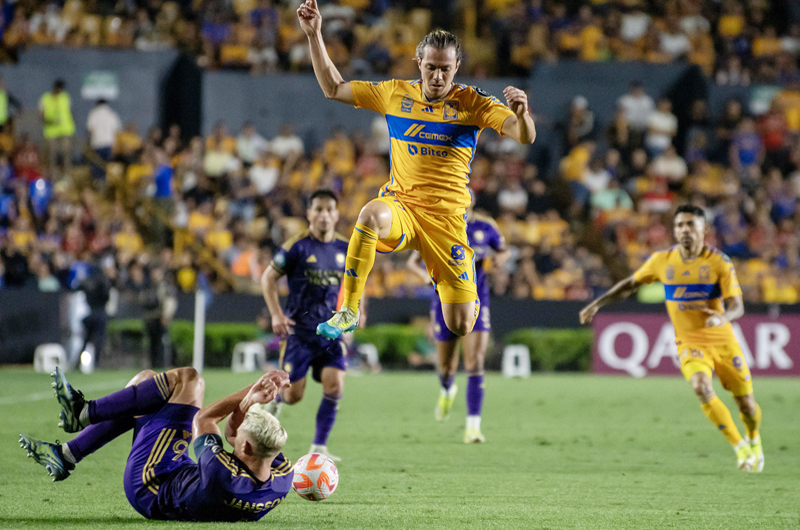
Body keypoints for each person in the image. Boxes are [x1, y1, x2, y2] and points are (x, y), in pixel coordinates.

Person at [296, 0, 535, 343]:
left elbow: (524, 136)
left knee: (461, 324)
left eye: (446, 69)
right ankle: (348, 309)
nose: (438, 76)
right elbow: (334, 88)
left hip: (447, 221)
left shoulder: (474, 103)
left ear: (457, 67)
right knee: (369, 214)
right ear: (419, 63)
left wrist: (522, 114)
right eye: (431, 67)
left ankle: (456, 276)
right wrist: (315, 35)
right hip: (403, 207)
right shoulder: (395, 93)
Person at [579, 205, 763, 472]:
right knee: (701, 387)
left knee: (746, 404)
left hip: (723, 341)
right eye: (679, 225)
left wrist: (723, 318)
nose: (684, 230)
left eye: (690, 224)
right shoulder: (662, 260)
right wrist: (597, 303)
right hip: (689, 341)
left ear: (704, 229)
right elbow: (631, 284)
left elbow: (737, 306)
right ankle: (740, 447)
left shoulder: (719, 262)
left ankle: (754, 439)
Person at [20, 367, 293, 522]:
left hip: (151, 483)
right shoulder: (279, 479)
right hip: (181, 476)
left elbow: (206, 418)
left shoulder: (223, 475)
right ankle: (66, 454)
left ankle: (82, 413)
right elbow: (235, 435)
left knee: (189, 380)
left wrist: (252, 391)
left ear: (246, 449)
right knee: (146, 388)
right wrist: (247, 407)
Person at [260, 189, 349, 461]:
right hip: (299, 333)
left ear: (336, 214)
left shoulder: (346, 248)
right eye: (318, 209)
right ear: (309, 213)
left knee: (335, 385)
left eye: (329, 209)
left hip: (331, 332)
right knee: (293, 396)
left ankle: (319, 447)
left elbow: (357, 282)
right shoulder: (295, 246)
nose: (324, 215)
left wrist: (357, 309)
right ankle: (276, 402)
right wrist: (276, 314)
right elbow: (267, 279)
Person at [407, 207, 509, 443]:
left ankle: (473, 427)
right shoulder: (438, 224)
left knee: (475, 361)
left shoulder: (485, 226)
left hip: (477, 300)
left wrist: (498, 260)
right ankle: (446, 389)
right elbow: (413, 260)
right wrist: (424, 276)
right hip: (444, 301)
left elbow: (503, 251)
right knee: (446, 366)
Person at [38, 79, 76, 179]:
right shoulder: (45, 98)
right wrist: (49, 120)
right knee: (51, 156)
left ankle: (66, 177)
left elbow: (70, 112)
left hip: (66, 130)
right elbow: (41, 115)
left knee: (66, 154)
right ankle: (53, 177)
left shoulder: (65, 97)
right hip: (51, 132)